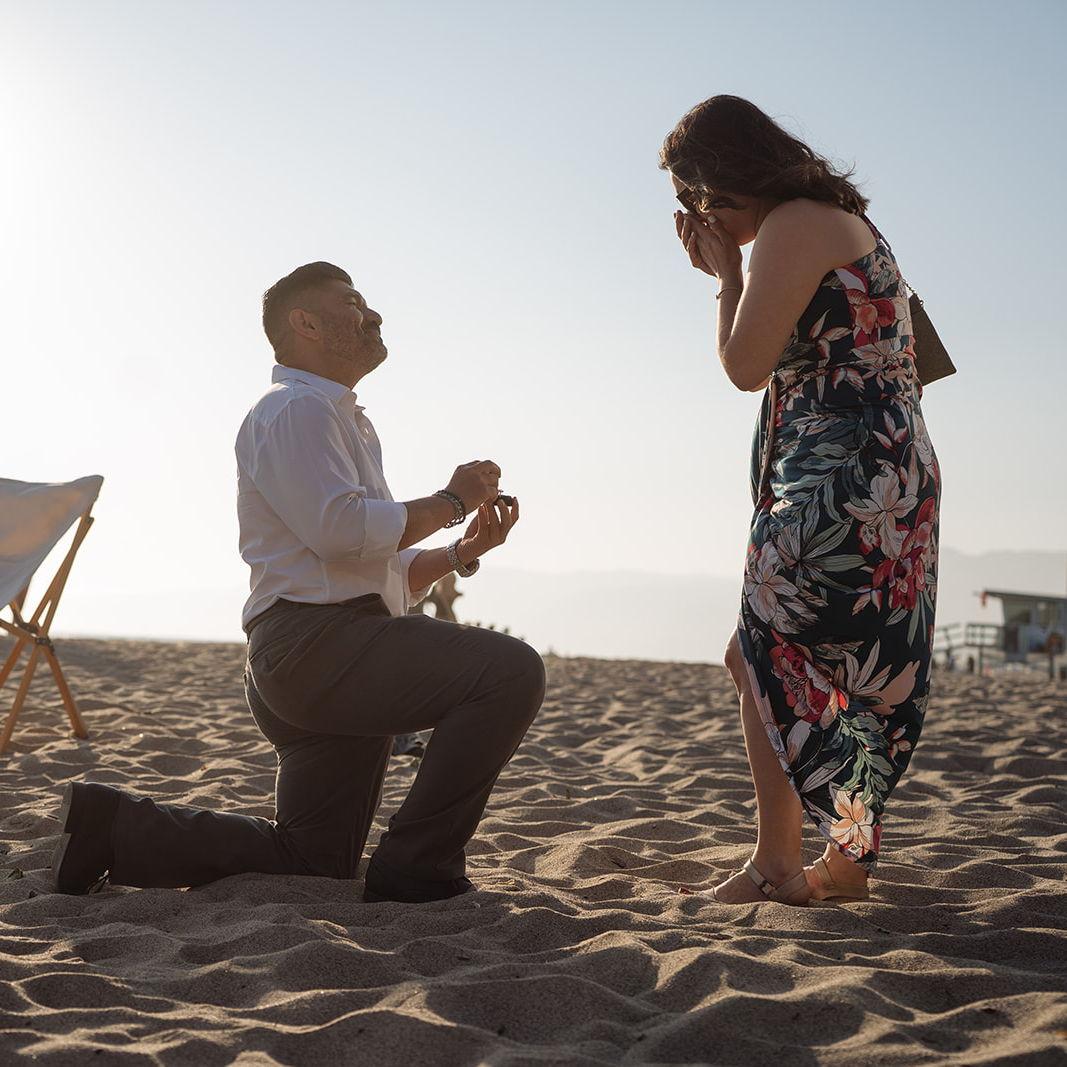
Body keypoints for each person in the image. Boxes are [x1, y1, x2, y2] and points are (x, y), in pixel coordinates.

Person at [52, 261, 545, 903]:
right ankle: (419, 867)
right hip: (317, 647)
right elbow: (341, 531)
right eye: (354, 303)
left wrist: (460, 550)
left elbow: (376, 571)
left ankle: (111, 826)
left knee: (314, 858)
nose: (373, 315)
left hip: (325, 650)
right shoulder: (295, 410)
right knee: (509, 671)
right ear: (305, 323)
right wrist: (450, 501)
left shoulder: (336, 418)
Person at [661, 96, 940, 904]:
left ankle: (778, 863)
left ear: (728, 178)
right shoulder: (839, 219)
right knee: (827, 664)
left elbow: (744, 365)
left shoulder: (790, 224)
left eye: (703, 199)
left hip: (841, 477)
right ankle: (840, 864)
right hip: (879, 468)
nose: (704, 218)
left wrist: (726, 278)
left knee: (763, 653)